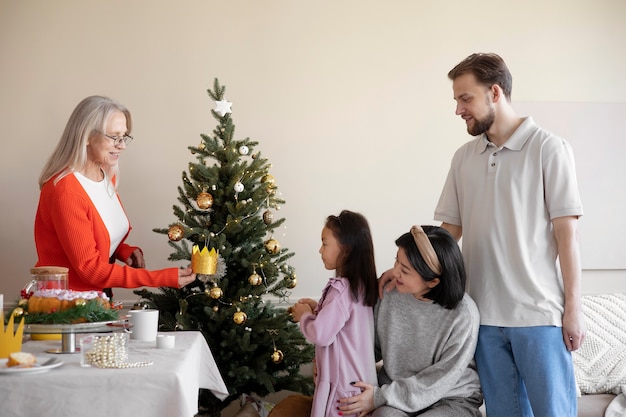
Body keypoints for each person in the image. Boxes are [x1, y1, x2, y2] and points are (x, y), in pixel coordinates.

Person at [433, 53, 585, 416]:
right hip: (481, 317)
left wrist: (573, 310)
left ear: (495, 92)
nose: (458, 109)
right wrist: (408, 267)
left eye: (465, 98)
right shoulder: (463, 157)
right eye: (456, 99)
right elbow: (448, 232)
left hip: (538, 317)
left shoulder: (549, 149)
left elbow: (568, 238)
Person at [34, 95, 195, 296]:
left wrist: (121, 250)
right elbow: (90, 269)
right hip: (68, 306)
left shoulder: (103, 176)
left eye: (124, 136)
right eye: (114, 137)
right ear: (86, 136)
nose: (122, 145)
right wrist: (160, 278)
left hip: (96, 300)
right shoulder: (66, 191)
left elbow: (92, 235)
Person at [340, 225, 482, 417]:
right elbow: (367, 348)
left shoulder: (463, 314)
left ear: (433, 282)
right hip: (395, 394)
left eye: (405, 270)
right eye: (396, 261)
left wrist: (380, 397)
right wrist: (332, 364)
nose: (395, 272)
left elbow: (440, 379)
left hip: (451, 398)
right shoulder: (389, 294)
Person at [289, 210, 379, 417]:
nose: (320, 250)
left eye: (325, 243)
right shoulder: (361, 286)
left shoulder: (340, 289)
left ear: (346, 248)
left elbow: (321, 333)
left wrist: (304, 315)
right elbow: (340, 324)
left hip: (340, 391)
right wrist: (317, 309)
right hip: (356, 385)